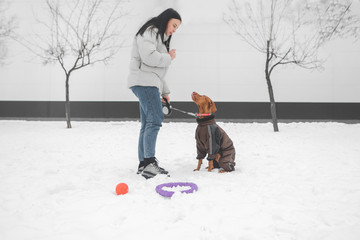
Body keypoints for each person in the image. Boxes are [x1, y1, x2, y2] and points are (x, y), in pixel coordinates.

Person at [127, 8, 182, 179]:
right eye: (173, 25)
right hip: (144, 82)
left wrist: (164, 92)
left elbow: (158, 72)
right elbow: (149, 57)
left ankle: (144, 164)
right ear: (166, 20)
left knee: (147, 123)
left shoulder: (159, 38)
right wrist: (169, 57)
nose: (174, 30)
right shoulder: (150, 31)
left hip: (148, 82)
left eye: (176, 28)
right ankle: (150, 164)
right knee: (155, 120)